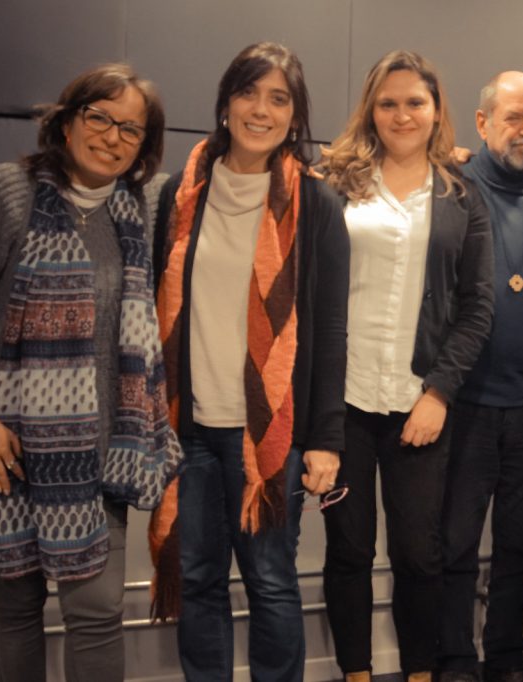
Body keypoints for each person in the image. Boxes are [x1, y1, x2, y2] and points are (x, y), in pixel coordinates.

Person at [149, 42, 349, 681]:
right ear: (225, 103)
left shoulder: (316, 204)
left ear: (295, 116)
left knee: (269, 579)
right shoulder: (180, 194)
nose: (260, 110)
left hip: (270, 435)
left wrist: (326, 440)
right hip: (189, 429)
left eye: (278, 99)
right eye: (248, 93)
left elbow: (330, 329)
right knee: (198, 577)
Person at [0, 64, 181, 681]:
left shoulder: (144, 206)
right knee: (16, 610)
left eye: (131, 128)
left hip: (102, 457)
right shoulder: (7, 192)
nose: (112, 137)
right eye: (99, 117)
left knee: (96, 616)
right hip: (3, 450)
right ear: (66, 121)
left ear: (144, 145)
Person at [318, 50, 494, 682]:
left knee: (420, 554)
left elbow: (478, 306)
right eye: (388, 103)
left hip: (419, 404)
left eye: (415, 102)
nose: (401, 115)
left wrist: (439, 393)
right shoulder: (334, 184)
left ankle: (420, 672)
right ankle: (356, 674)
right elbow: (310, 295)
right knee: (348, 550)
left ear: (436, 110)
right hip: (342, 402)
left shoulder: (461, 195)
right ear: (371, 110)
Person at [437, 72, 523, 682]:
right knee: (455, 543)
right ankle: (454, 658)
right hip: (465, 400)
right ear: (483, 122)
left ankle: (507, 656)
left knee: (521, 545)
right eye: (514, 117)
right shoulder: (451, 185)